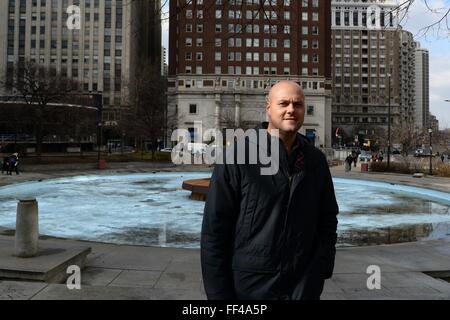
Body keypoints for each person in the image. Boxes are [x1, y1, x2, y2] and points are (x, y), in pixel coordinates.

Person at [201, 81, 339, 300]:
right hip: (250, 288)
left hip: (302, 287)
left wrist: (320, 267)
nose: (291, 110)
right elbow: (214, 231)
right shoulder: (237, 157)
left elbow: (327, 217)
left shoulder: (316, 161)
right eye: (283, 103)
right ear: (268, 108)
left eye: (298, 104)